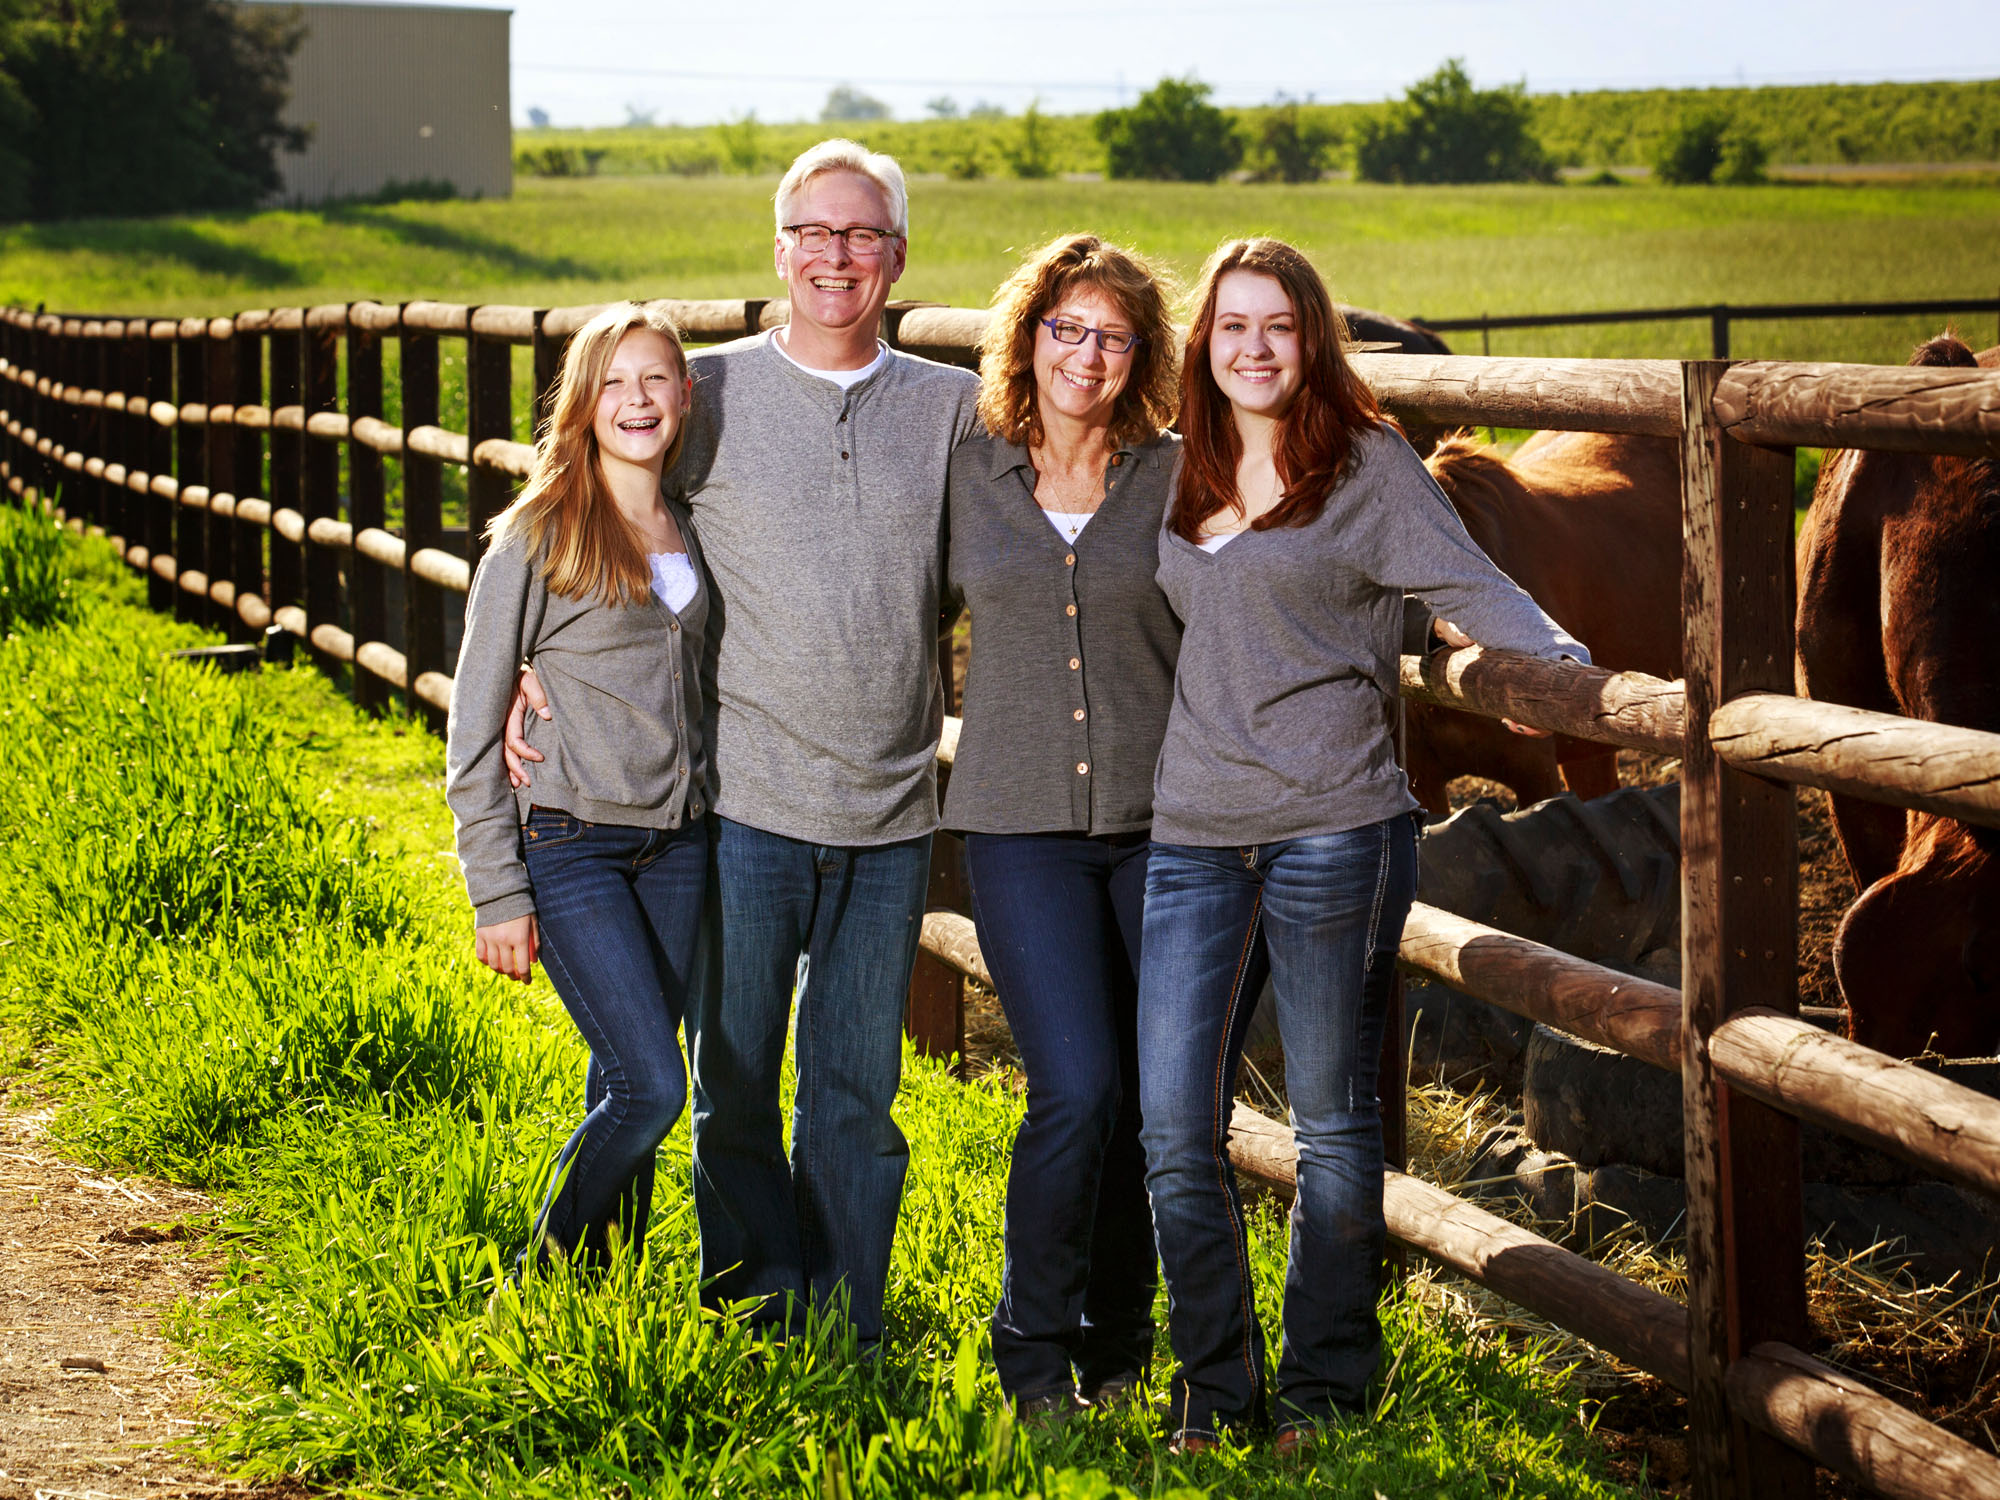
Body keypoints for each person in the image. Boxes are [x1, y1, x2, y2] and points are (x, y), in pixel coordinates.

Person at [506, 140, 981, 1349]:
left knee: (857, 1090)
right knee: (732, 1082)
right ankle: (753, 1303)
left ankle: (845, 1319)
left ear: (896, 258)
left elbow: (1011, 567)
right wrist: (529, 660)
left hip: (887, 810)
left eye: (859, 235)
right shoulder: (703, 394)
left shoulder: (947, 410)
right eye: (811, 234)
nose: (834, 256)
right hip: (743, 802)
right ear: (777, 251)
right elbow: (585, 509)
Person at [1136, 238, 1588, 1455]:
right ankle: (1214, 1389)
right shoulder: (1177, 466)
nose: (1253, 347)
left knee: (1333, 1124)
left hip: (1336, 824)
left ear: (1312, 336)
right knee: (1173, 1120)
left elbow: (1468, 582)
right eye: (1230, 325)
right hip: (1192, 833)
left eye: (1276, 324)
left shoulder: (1365, 464)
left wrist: (1567, 673)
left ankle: (1326, 1388)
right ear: (1203, 345)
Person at [942, 234, 1180, 1420]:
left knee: (1145, 1100)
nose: (1085, 355)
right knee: (1075, 1089)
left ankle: (1119, 1348)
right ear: (1025, 337)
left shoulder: (1178, 476)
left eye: (1111, 335)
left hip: (1159, 827)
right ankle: (1031, 1356)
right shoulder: (967, 470)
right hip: (1017, 823)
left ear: (1140, 356)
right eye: (1064, 328)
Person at [445, 302, 709, 1272]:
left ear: (684, 394)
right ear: (583, 402)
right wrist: (495, 889)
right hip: (572, 842)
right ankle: (538, 1277)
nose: (636, 400)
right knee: (651, 1087)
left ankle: (610, 1285)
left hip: (679, 846)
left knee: (623, 1071)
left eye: (655, 379)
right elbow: (473, 724)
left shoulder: (690, 520)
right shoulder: (540, 534)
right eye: (615, 381)